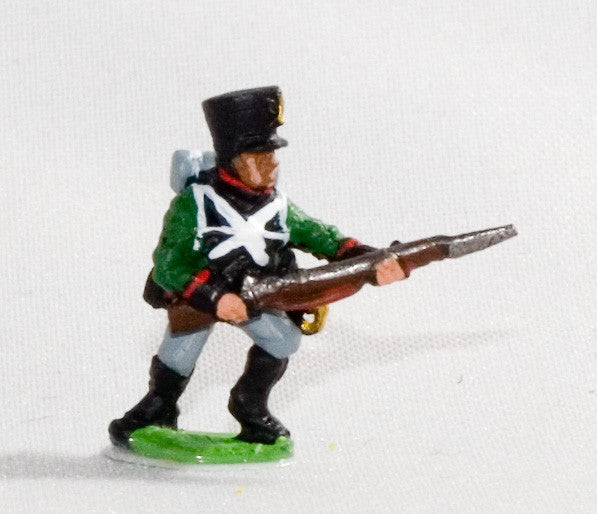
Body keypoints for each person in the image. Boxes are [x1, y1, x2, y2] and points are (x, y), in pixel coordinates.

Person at [109, 86, 405, 448]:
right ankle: (157, 407)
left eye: (272, 154)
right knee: (180, 352)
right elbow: (168, 265)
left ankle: (249, 405)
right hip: (199, 294)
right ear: (231, 159)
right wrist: (216, 298)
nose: (272, 163)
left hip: (255, 294)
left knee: (283, 339)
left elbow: (326, 239)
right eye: (258, 156)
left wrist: (374, 262)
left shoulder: (279, 207)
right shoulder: (195, 203)